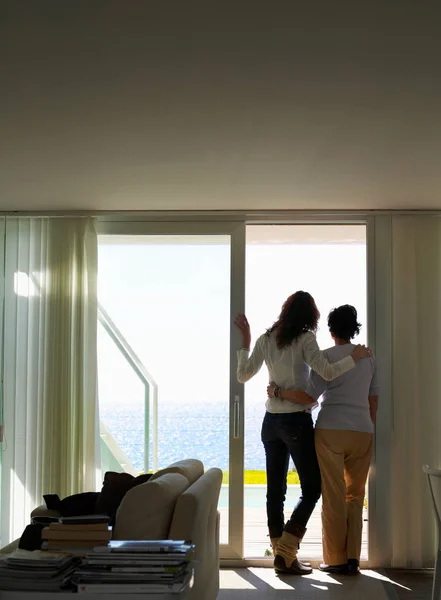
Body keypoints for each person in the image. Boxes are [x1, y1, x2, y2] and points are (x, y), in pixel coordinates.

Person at [235, 291, 371, 575]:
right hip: (295, 421)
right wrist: (355, 356)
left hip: (270, 421)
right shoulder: (306, 338)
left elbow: (243, 375)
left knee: (275, 490)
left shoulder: (266, 338)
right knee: (312, 488)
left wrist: (245, 344)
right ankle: (285, 551)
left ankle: (281, 553)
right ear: (310, 317)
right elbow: (328, 372)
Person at [267, 304, 378, 575]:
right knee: (356, 495)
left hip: (330, 431)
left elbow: (309, 396)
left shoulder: (325, 358)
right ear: (354, 329)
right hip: (363, 431)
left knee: (333, 494)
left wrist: (278, 392)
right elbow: (373, 400)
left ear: (331, 332)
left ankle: (336, 560)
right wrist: (366, 426)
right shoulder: (369, 358)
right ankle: (353, 558)